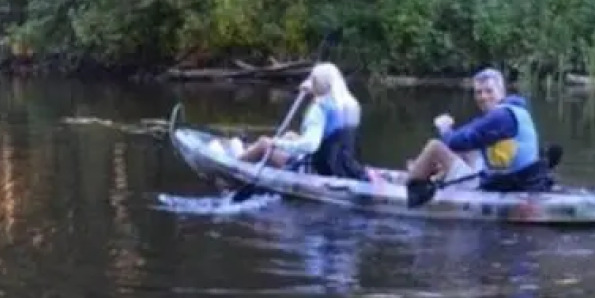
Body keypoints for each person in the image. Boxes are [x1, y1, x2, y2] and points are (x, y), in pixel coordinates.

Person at [404, 67, 553, 192]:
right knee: (468, 151)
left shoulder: (500, 116)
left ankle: (406, 188)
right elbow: (466, 139)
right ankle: (429, 172)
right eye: (478, 92)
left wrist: (445, 128)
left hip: (509, 186)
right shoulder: (515, 110)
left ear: (501, 92)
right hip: (517, 181)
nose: (483, 97)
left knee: (435, 147)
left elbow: (455, 141)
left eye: (489, 91)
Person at [230, 62, 370, 180]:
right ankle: (256, 156)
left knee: (264, 143)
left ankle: (237, 161)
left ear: (318, 85)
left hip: (318, 170)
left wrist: (276, 143)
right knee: (290, 135)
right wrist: (313, 88)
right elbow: (334, 138)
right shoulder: (352, 105)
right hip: (348, 166)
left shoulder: (319, 109)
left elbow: (310, 146)